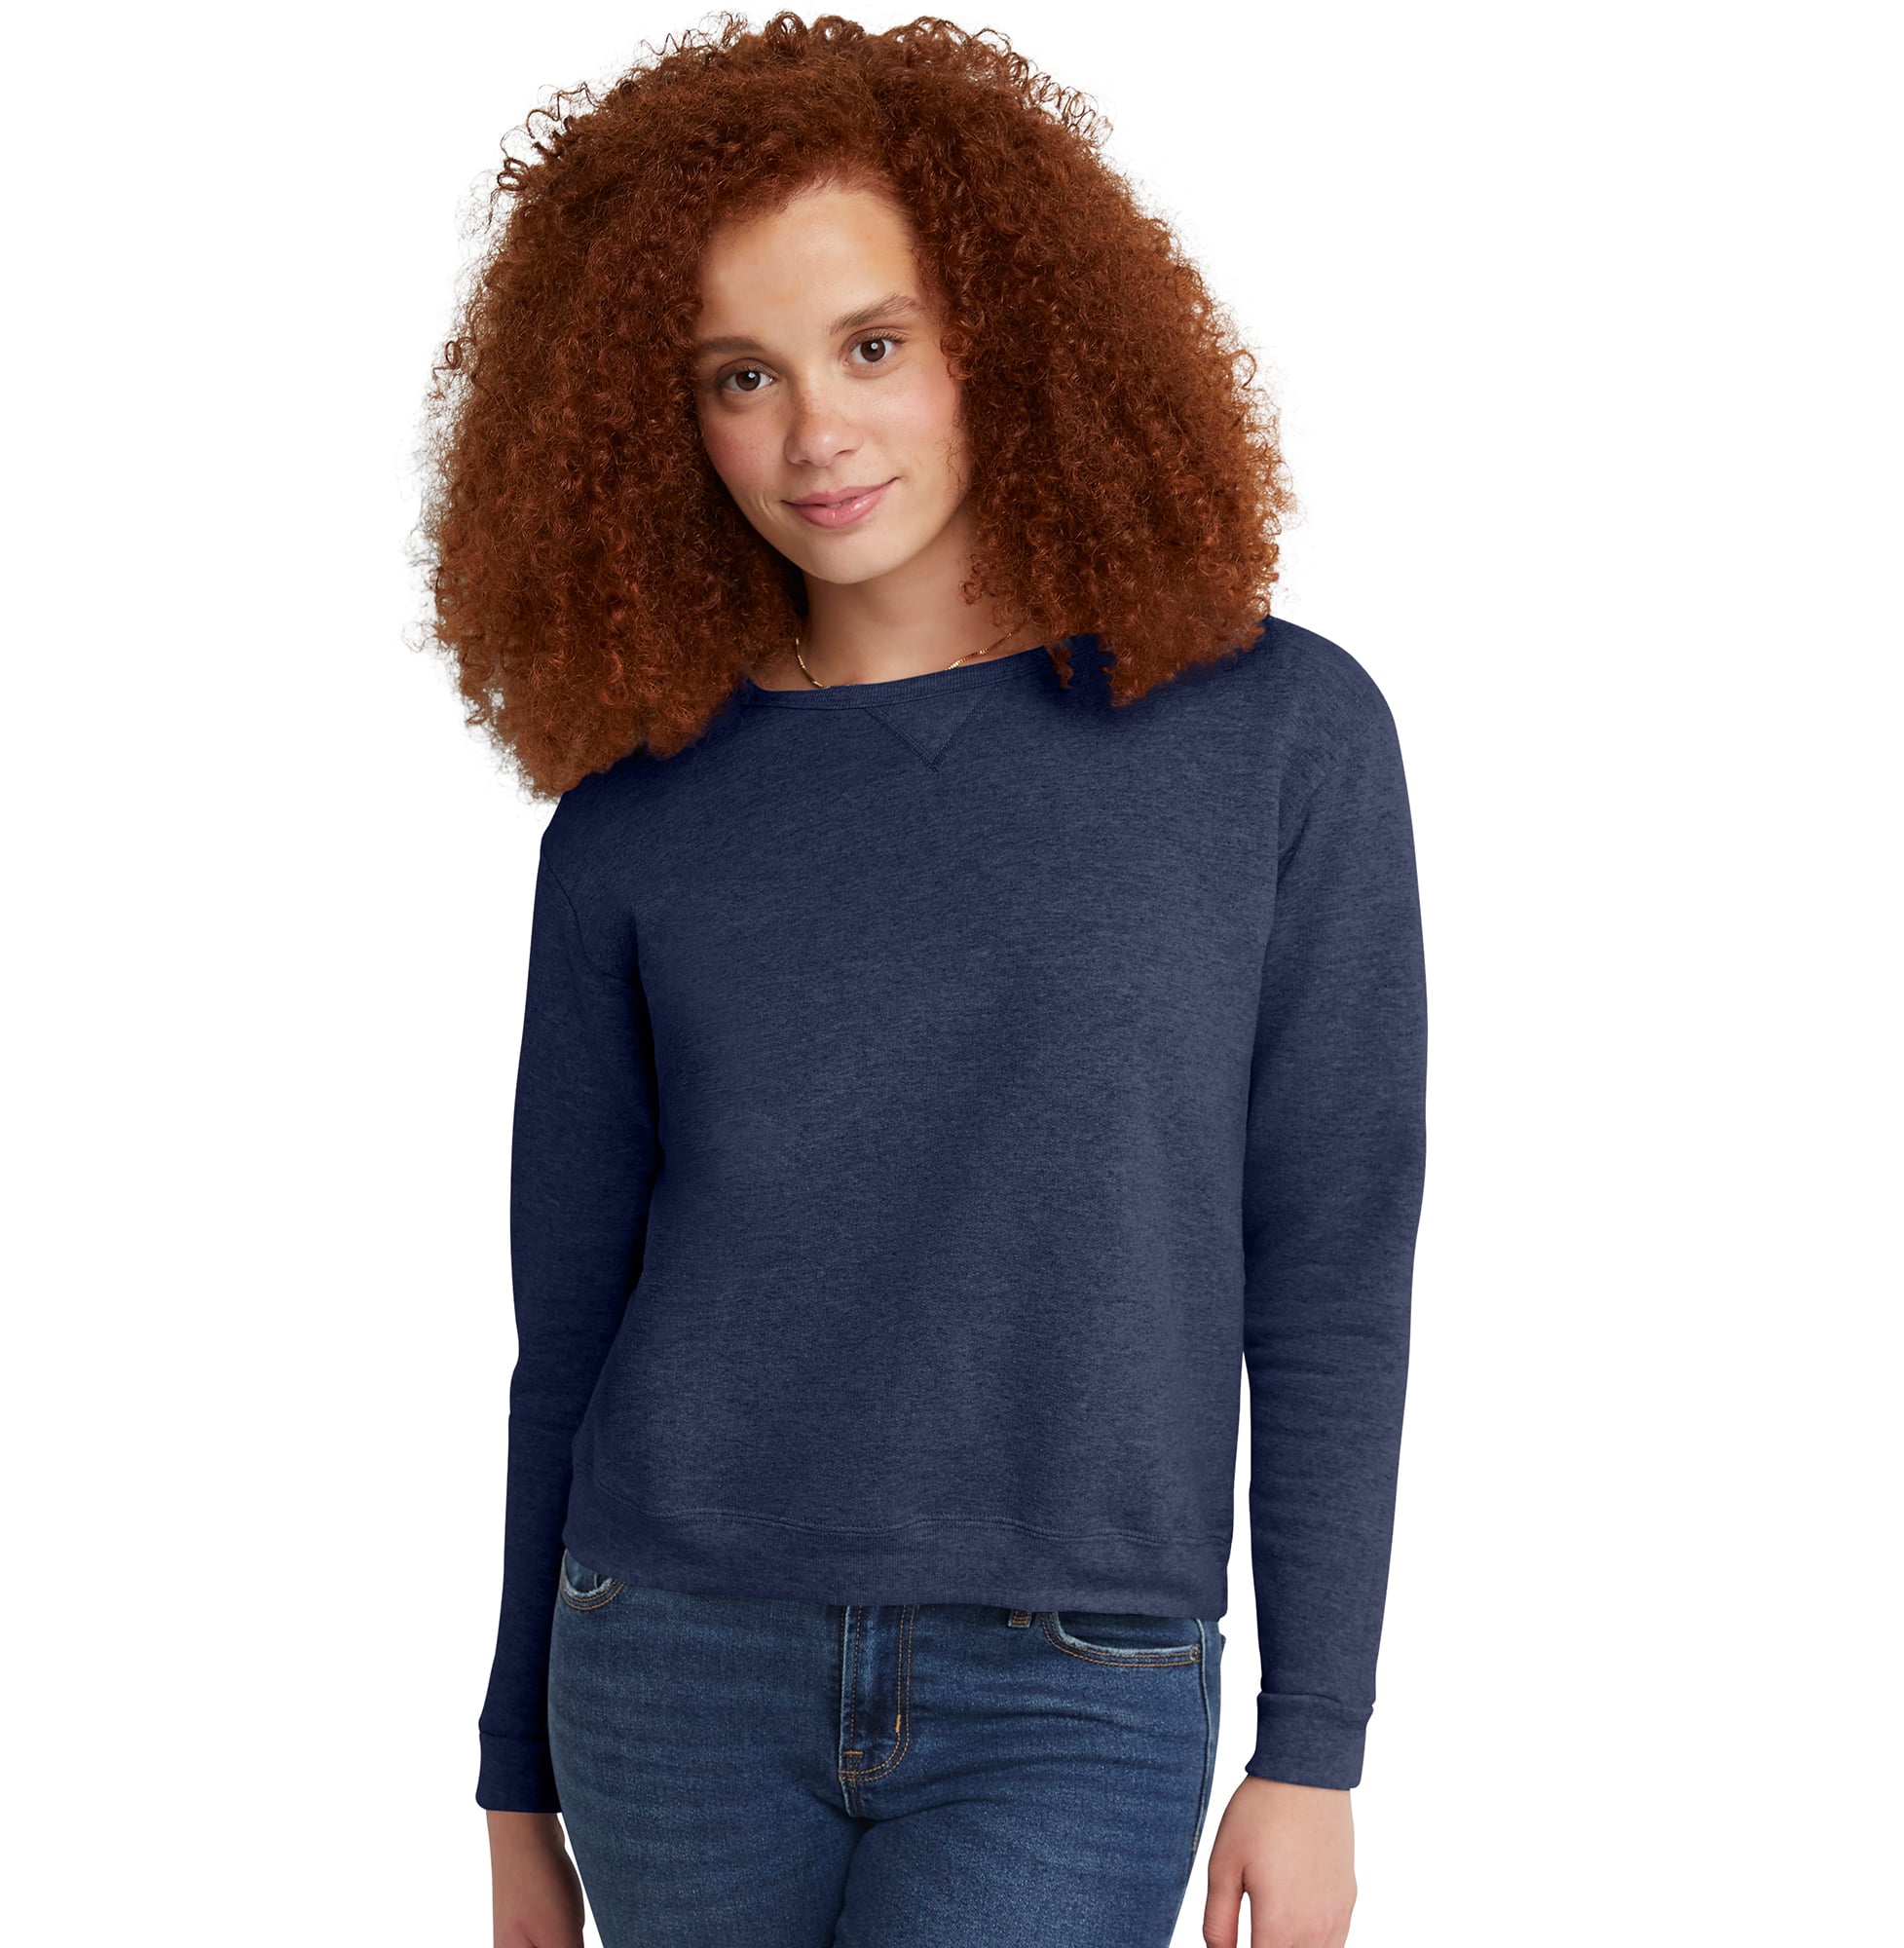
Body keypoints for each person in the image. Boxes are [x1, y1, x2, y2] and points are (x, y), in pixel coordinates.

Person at [413, 15, 1428, 1948]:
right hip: (666, 1668)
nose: (815, 434)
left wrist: (1315, 1744)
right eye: (742, 374)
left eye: (872, 345)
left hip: (1074, 1684)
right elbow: (567, 1325)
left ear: (1007, 337)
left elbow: (1327, 1263)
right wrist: (509, 1779)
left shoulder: (1273, 738)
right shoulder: (633, 815)